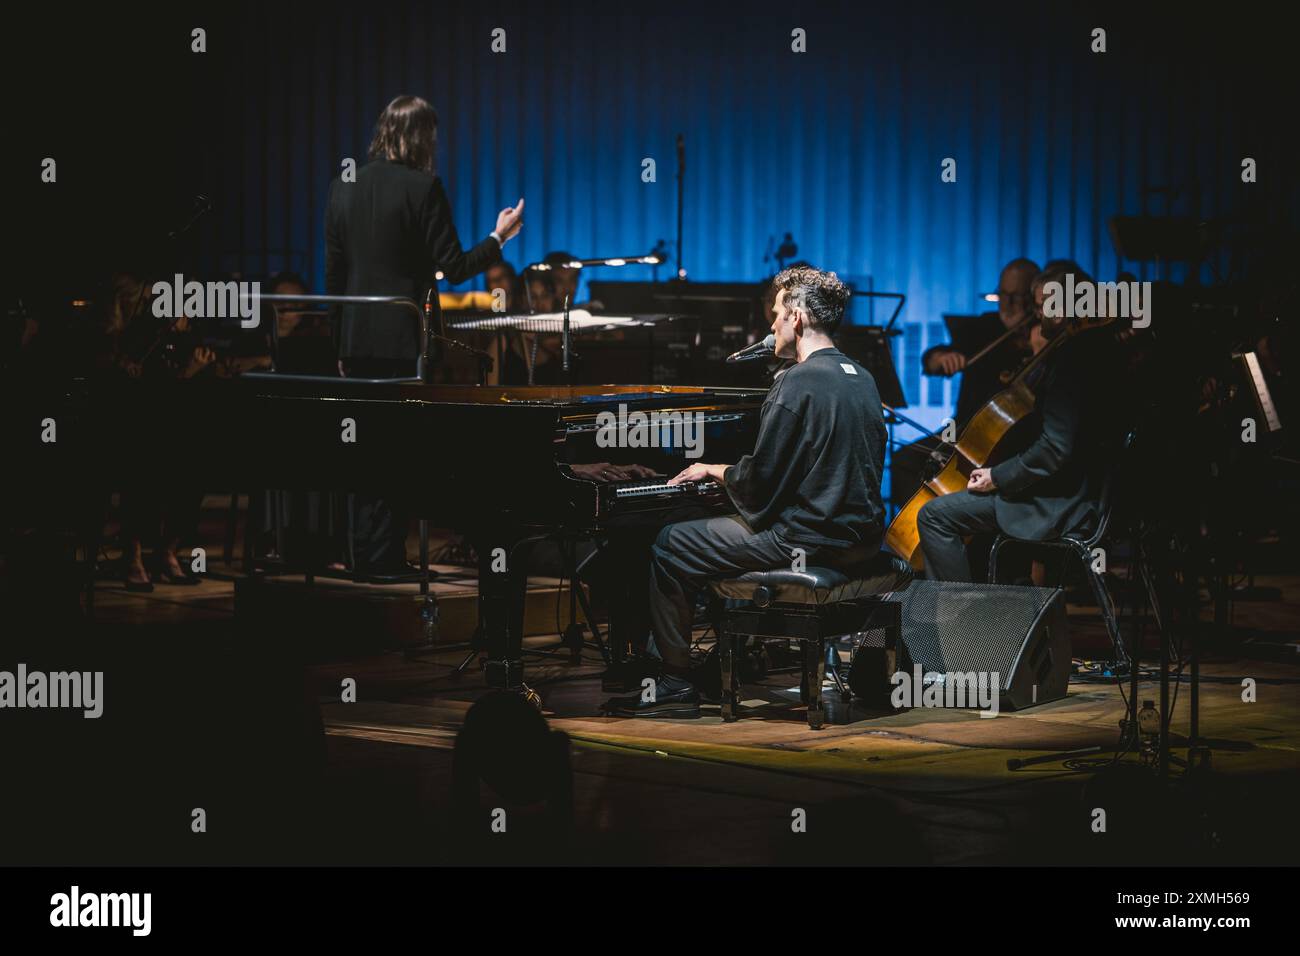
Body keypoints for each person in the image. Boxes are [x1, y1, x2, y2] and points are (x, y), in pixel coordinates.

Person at [605, 267, 888, 717]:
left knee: (671, 545)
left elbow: (757, 485)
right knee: (713, 534)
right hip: (862, 536)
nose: (770, 326)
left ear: (795, 317)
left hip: (808, 539)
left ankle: (675, 683)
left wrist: (713, 470)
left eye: (775, 315)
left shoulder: (798, 381)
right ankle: (723, 663)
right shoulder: (862, 377)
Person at [324, 94, 523, 575]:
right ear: (423, 137)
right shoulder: (423, 186)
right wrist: (498, 239)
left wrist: (339, 344)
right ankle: (383, 560)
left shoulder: (343, 185)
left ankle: (363, 557)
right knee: (396, 452)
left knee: (361, 449)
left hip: (354, 339)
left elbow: (334, 275)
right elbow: (454, 268)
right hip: (401, 339)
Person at [915, 262, 1121, 582]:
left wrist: (997, 476)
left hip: (1059, 503)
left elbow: (1054, 448)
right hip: (1082, 494)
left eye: (1041, 307)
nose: (1036, 316)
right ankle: (994, 604)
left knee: (933, 515)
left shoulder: (1071, 360)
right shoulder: (1101, 351)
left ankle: (956, 624)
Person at [922, 257, 1039, 428]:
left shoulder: (1042, 336)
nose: (1007, 304)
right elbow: (931, 362)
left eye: (1016, 296)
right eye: (1002, 294)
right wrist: (939, 358)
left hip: (1014, 433)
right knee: (906, 455)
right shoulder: (983, 327)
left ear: (1033, 299)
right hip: (964, 427)